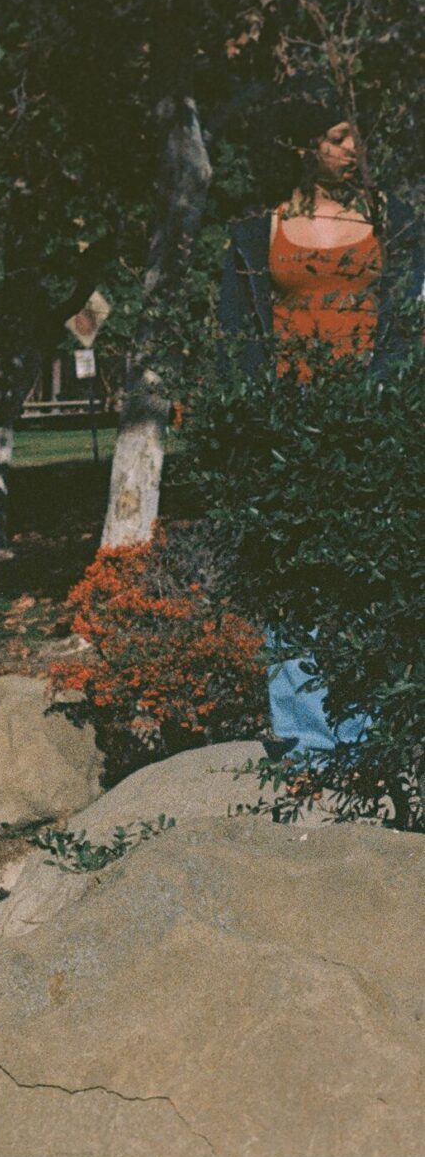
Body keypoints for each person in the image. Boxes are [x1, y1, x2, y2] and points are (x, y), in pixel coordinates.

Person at [216, 93, 417, 753]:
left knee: (366, 570)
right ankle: (305, 738)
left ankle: (369, 731)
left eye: (356, 135)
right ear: (303, 146)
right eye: (337, 136)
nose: (352, 148)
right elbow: (237, 336)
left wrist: (382, 400)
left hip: (370, 420)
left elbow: (406, 324)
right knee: (292, 570)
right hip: (286, 428)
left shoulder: (394, 222)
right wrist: (250, 416)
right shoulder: (259, 232)